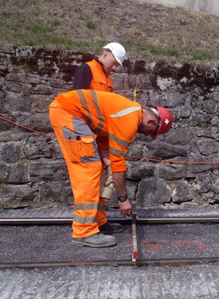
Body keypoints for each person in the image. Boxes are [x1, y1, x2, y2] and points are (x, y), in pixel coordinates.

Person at [49, 89, 173, 247]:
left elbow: (101, 134)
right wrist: (123, 199)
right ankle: (84, 231)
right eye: (152, 133)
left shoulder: (129, 112)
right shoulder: (129, 120)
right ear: (151, 123)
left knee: (100, 168)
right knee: (89, 169)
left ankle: (99, 221)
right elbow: (118, 163)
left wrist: (107, 163)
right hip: (67, 112)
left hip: (72, 113)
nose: (148, 135)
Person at [72, 42, 127, 234]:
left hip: (100, 134)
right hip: (86, 133)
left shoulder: (107, 78)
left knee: (105, 177)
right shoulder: (87, 69)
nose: (114, 68)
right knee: (91, 178)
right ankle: (86, 229)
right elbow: (77, 102)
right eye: (114, 64)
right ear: (106, 55)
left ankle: (101, 221)